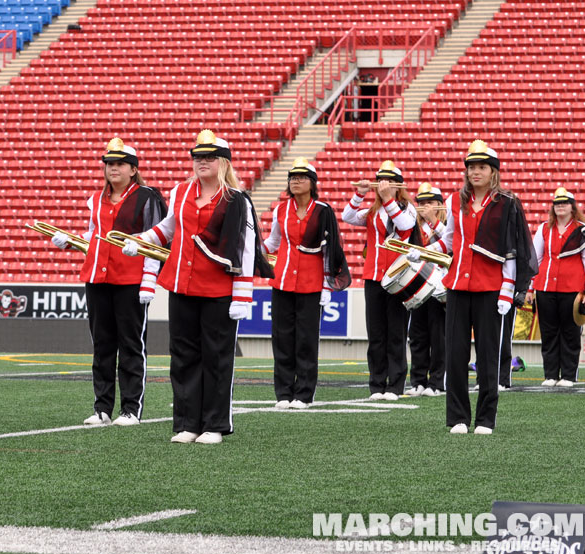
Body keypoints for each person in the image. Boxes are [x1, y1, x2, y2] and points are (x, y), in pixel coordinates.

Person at [123, 130, 273, 444]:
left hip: (218, 290)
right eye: (197, 157)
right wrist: (142, 241)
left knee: (217, 358)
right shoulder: (179, 192)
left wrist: (242, 294)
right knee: (183, 357)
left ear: (224, 162)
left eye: (209, 157)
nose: (202, 162)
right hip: (180, 285)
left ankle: (215, 425)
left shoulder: (236, 200)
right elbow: (168, 228)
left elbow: (246, 249)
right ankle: (187, 423)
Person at [422, 140, 536, 434]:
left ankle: (485, 419)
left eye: (482, 167)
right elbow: (449, 241)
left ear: (493, 171)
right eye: (471, 166)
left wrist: (508, 290)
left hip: (491, 290)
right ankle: (458, 418)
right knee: (456, 355)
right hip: (458, 287)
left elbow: (512, 250)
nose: (475, 172)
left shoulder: (508, 203)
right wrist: (421, 251)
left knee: (488, 357)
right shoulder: (453, 201)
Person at [52, 138, 166, 427]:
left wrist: (149, 281)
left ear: (133, 168)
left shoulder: (147, 196)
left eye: (119, 164)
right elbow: (94, 235)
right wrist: (71, 242)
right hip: (97, 277)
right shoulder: (96, 199)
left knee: (130, 345)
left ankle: (131, 409)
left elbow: (157, 242)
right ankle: (102, 408)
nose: (113, 168)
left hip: (130, 280)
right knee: (102, 346)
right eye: (109, 164)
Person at [262, 157, 350, 409]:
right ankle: (283, 393)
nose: (295, 180)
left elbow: (331, 250)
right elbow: (273, 242)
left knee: (306, 341)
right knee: (281, 339)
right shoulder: (281, 210)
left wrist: (326, 286)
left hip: (312, 284)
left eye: (301, 177)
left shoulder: (323, 211)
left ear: (312, 183)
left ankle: (304, 394)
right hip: (282, 282)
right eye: (292, 177)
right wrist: (254, 251)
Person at [341, 160, 416, 401]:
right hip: (373, 276)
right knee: (376, 334)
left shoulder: (407, 208)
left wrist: (388, 199)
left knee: (396, 333)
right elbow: (348, 216)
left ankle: (395, 386)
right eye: (380, 180)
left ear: (398, 185)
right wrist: (359, 194)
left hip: (398, 278)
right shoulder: (372, 211)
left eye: (389, 180)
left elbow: (405, 226)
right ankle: (376, 384)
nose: (383, 184)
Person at [524, 187, 585, 387]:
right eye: (557, 203)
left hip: (572, 288)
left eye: (564, 203)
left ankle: (568, 375)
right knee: (548, 332)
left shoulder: (581, 229)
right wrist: (530, 288)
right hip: (545, 287)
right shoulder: (544, 228)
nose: (560, 206)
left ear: (572, 207)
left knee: (570, 332)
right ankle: (550, 375)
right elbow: (535, 259)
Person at [405, 183, 447, 397]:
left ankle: (437, 382)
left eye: (430, 202)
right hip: (419, 285)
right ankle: (418, 381)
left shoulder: (447, 224)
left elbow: (451, 241)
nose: (424, 207)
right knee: (418, 335)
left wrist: (434, 221)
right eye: (421, 203)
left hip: (441, 287)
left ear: (440, 205)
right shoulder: (413, 226)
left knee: (439, 337)